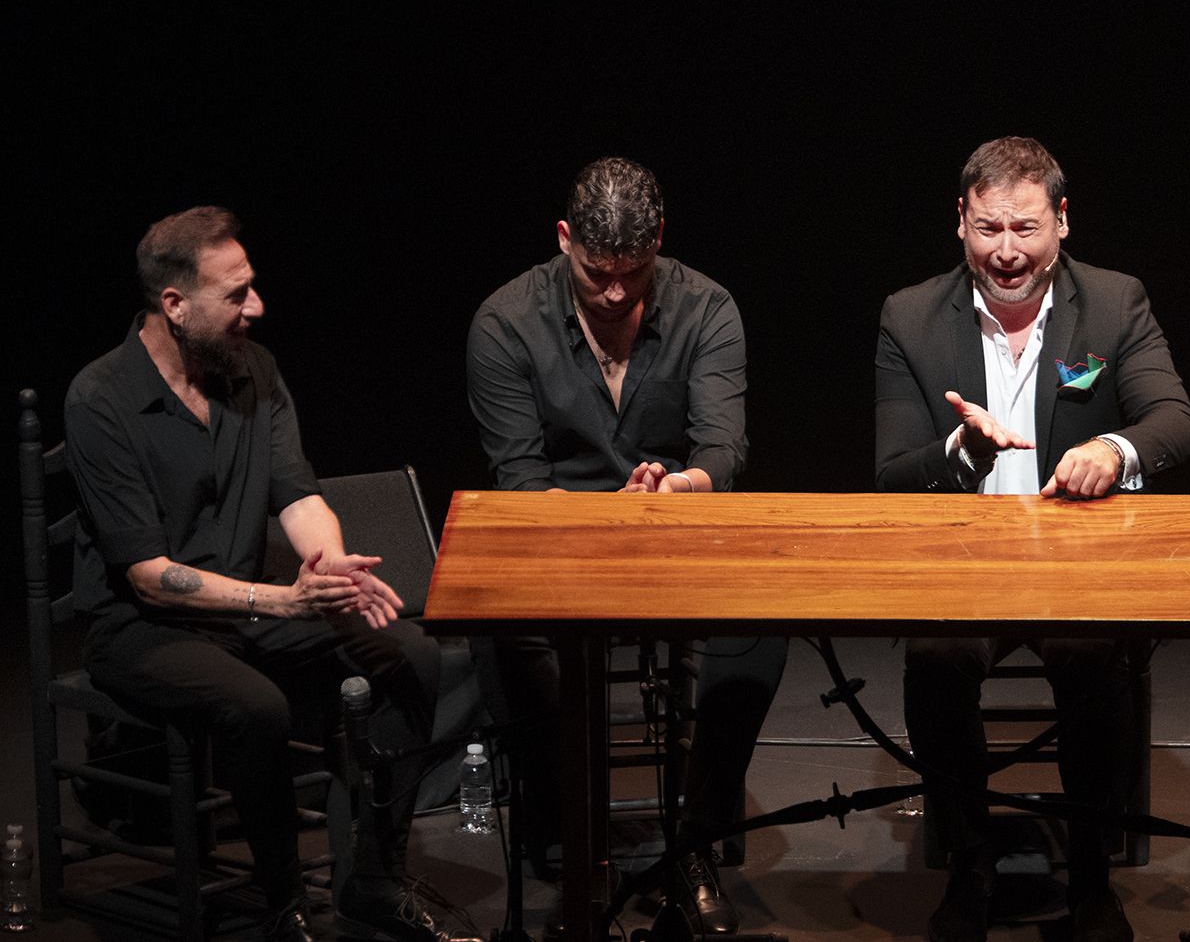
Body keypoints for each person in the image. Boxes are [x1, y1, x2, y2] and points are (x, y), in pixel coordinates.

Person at [66, 207, 466, 942]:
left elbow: (297, 492)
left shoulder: (254, 370)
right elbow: (150, 575)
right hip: (143, 627)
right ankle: (283, 903)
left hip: (252, 612)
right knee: (257, 706)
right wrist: (280, 599)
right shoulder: (102, 399)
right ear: (175, 305)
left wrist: (328, 560)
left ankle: (374, 877)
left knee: (412, 653)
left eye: (253, 286)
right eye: (237, 293)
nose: (257, 306)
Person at [875, 136, 1190, 942]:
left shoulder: (1115, 302)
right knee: (937, 659)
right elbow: (889, 475)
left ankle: (1091, 873)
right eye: (989, 229)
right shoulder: (911, 316)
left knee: (1092, 655)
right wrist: (963, 449)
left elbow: (1176, 421)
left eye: (1026, 228)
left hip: (1076, 559)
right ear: (960, 222)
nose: (1008, 252)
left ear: (1062, 219)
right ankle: (972, 862)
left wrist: (1113, 450)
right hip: (966, 560)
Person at [465, 156, 772, 936]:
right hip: (559, 547)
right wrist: (608, 516)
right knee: (508, 632)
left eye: (632, 274)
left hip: (677, 536)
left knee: (760, 631)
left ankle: (695, 838)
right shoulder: (506, 322)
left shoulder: (708, 309)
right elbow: (519, 479)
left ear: (659, 243)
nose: (612, 292)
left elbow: (722, 454)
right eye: (596, 271)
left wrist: (677, 492)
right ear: (565, 239)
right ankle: (575, 829)